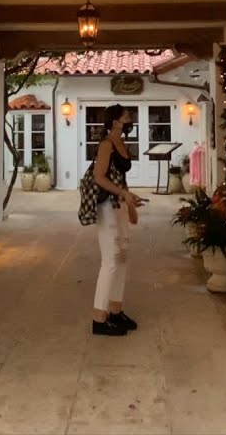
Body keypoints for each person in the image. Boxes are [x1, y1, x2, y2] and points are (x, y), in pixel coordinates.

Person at [91, 104, 146, 336]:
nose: (130, 121)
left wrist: (130, 204)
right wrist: (124, 194)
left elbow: (119, 177)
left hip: (120, 205)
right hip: (106, 206)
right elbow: (99, 177)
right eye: (126, 118)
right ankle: (99, 319)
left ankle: (115, 310)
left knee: (122, 258)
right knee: (110, 260)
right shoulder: (106, 145)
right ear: (115, 122)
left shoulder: (121, 143)